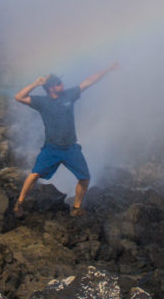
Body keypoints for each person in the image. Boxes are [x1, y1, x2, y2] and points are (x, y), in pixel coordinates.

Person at [13, 63, 118, 217]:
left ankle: (76, 208)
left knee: (85, 178)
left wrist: (107, 70)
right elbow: (18, 97)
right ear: (51, 88)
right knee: (34, 174)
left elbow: (89, 82)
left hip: (71, 148)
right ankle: (19, 203)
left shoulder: (69, 95)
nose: (62, 84)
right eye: (58, 83)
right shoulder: (42, 102)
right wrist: (36, 83)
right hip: (51, 148)